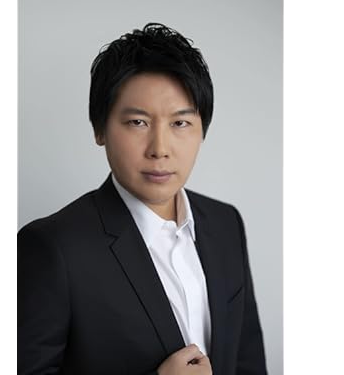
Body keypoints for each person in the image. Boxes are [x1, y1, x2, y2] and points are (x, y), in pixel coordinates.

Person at [18, 23, 268, 375]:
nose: (160, 149)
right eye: (138, 122)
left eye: (180, 124)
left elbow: (247, 361)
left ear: (202, 129)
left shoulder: (225, 223)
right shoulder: (52, 248)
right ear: (100, 128)